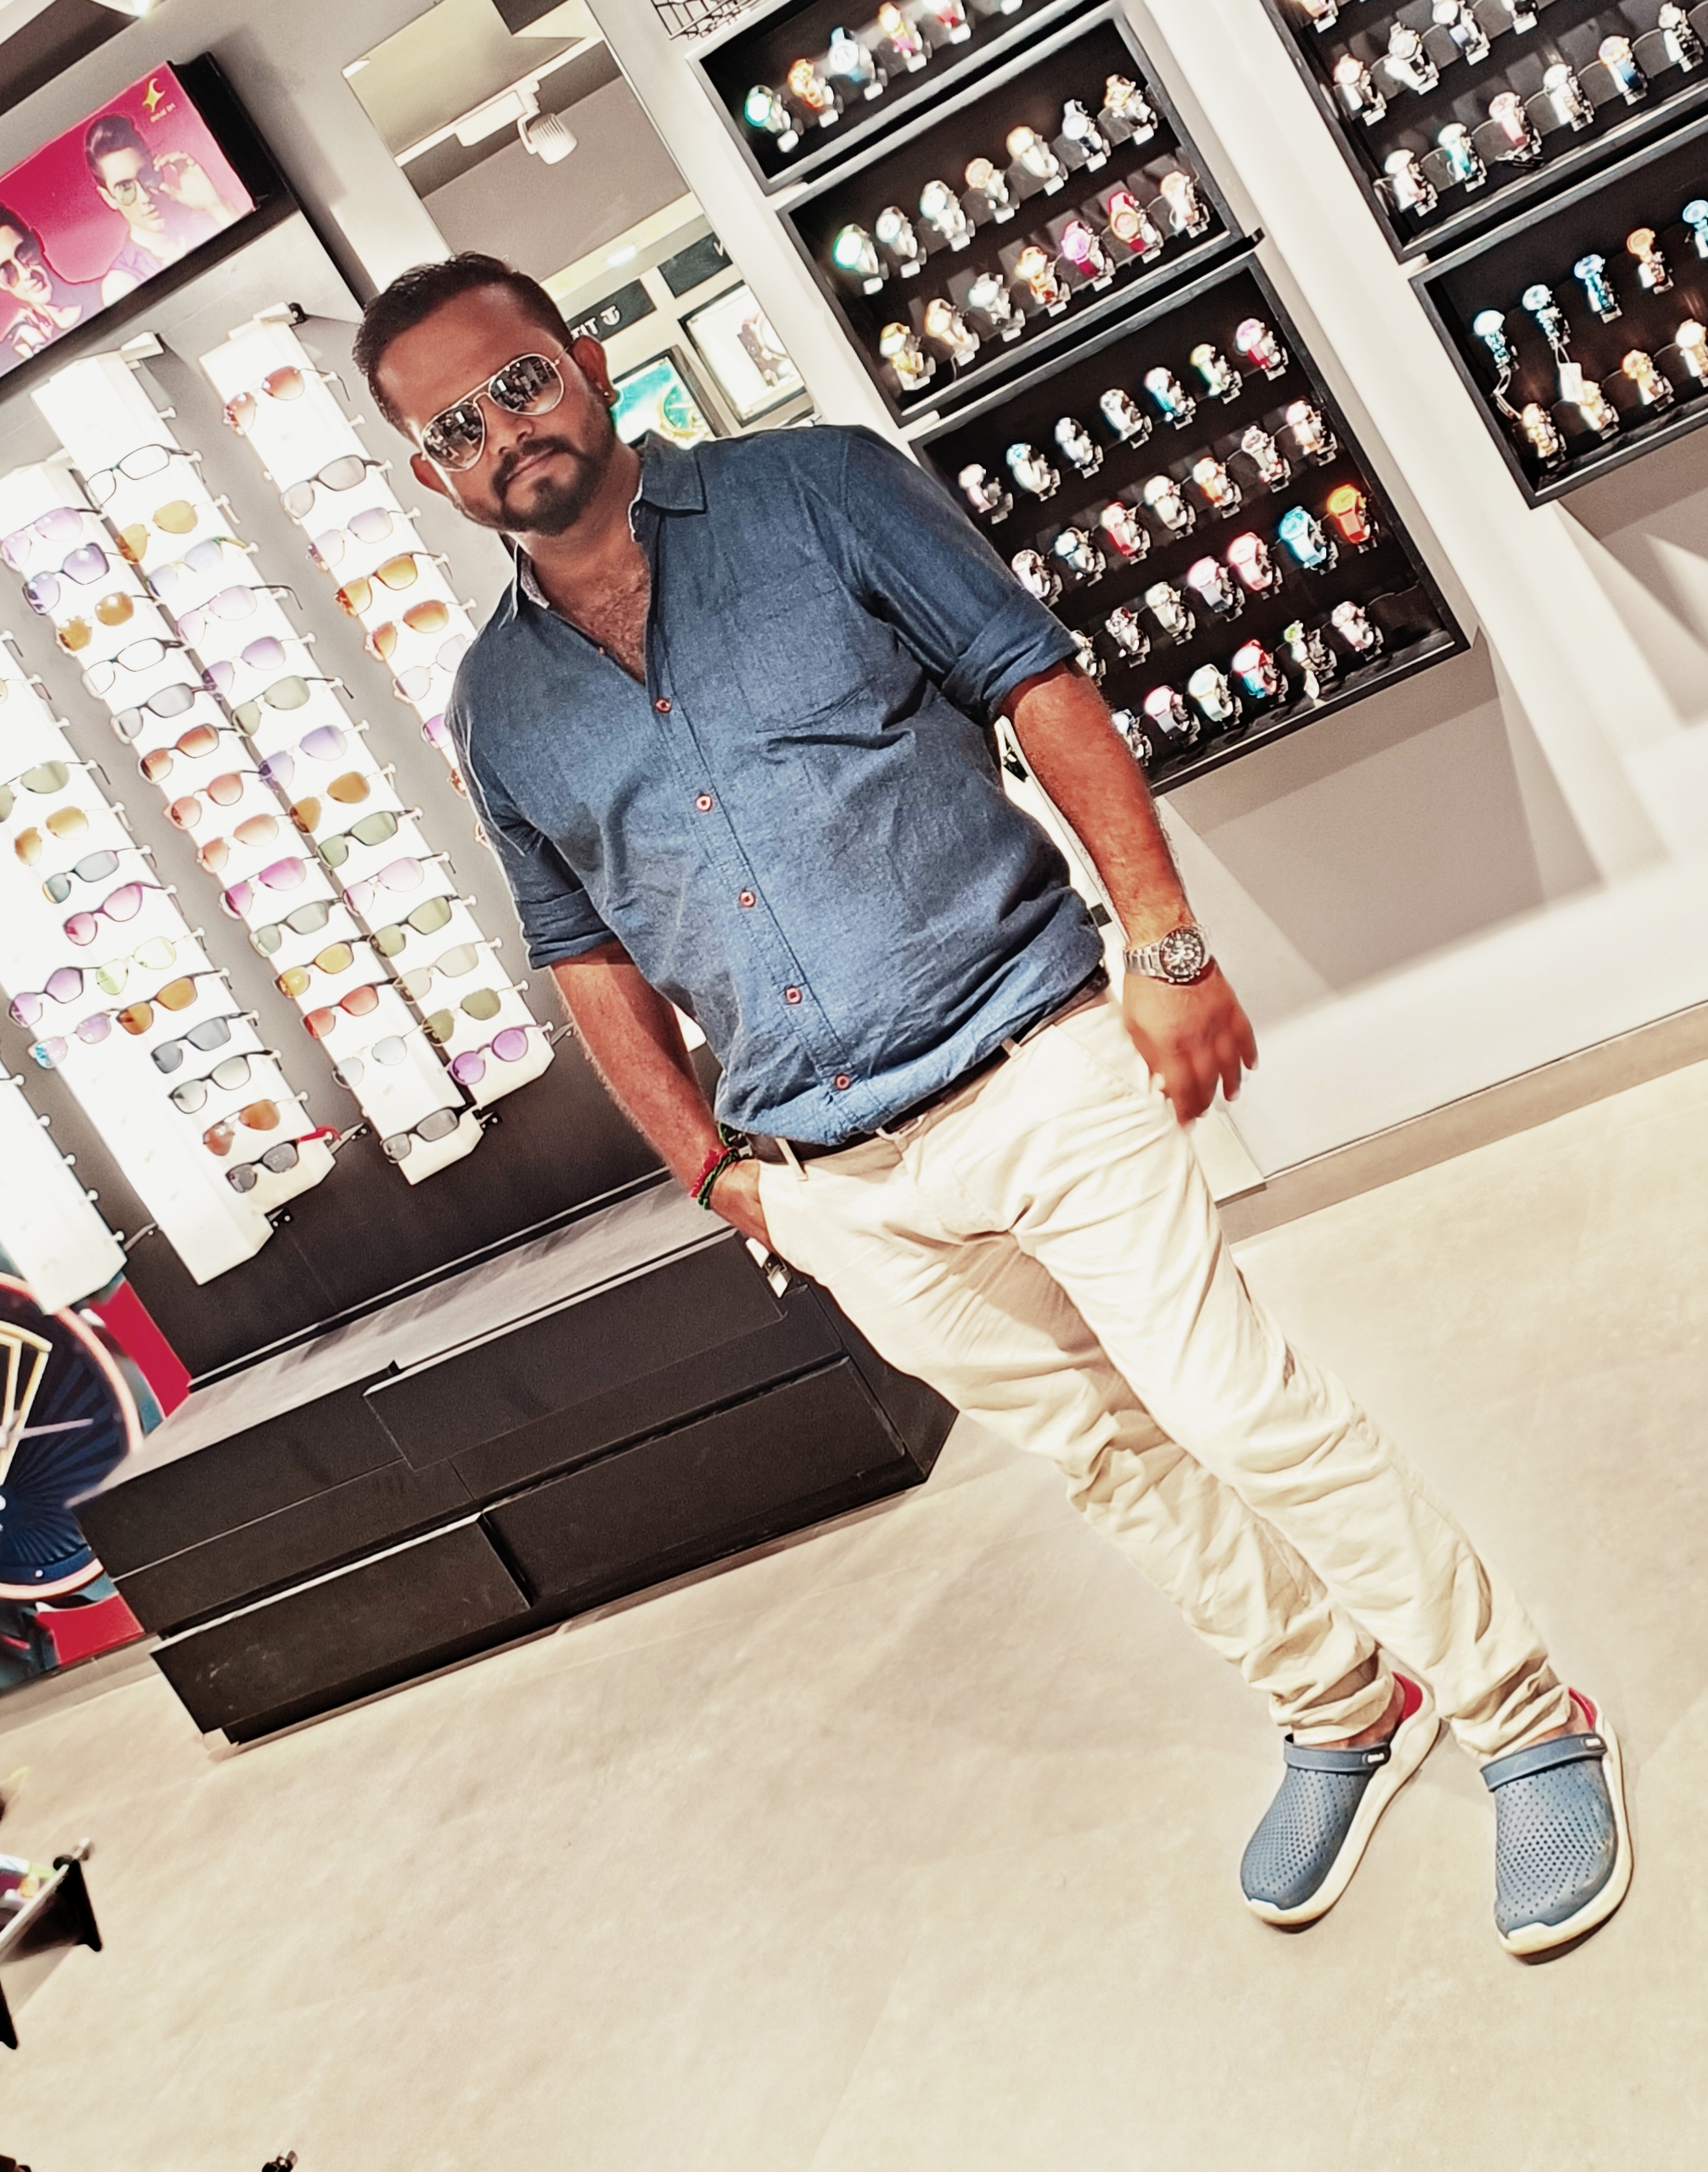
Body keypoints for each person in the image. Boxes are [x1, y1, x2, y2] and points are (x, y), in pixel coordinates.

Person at [353, 252, 1633, 1956]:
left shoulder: (815, 490)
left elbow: (1035, 679)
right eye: (454, 425)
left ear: (584, 361)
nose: (503, 432)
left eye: (517, 381)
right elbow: (582, 954)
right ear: (428, 473)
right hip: (833, 1173)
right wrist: (717, 1175)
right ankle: (1335, 1701)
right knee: (1105, 1458)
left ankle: (1521, 1713)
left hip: (1032, 1055)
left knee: (1234, 1408)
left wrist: (1166, 944)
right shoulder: (497, 706)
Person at [82, 113, 238, 308]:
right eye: (124, 188)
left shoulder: (209, 222)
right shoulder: (122, 282)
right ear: (108, 198)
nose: (145, 197)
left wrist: (216, 205)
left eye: (146, 175)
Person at [0, 206, 102, 368]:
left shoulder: (108, 293)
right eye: (7, 272)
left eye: (25, 252)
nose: (26, 274)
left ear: (37, 241)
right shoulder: (15, 349)